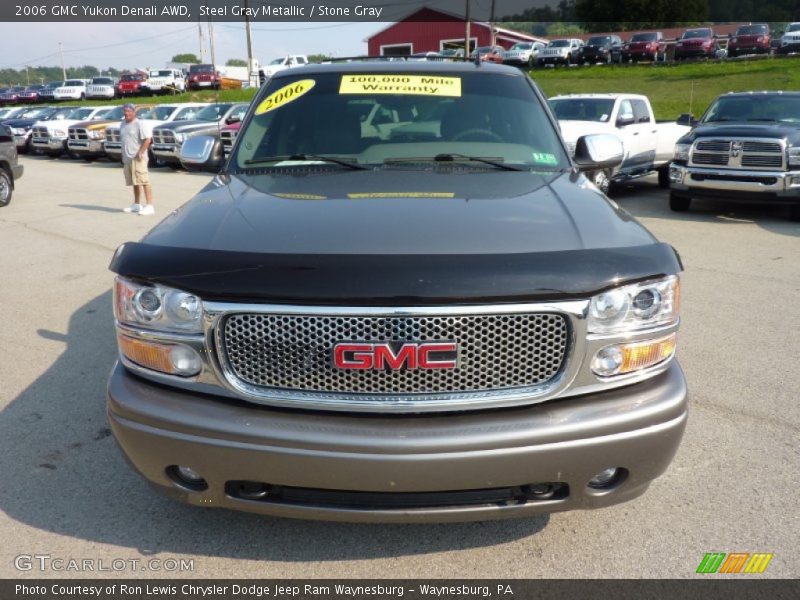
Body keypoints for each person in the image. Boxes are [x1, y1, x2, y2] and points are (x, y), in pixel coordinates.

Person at [120, 103, 155, 215]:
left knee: (144, 180)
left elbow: (148, 140)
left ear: (134, 112)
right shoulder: (123, 124)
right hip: (128, 158)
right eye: (125, 111)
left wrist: (140, 152)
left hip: (139, 158)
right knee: (135, 182)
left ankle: (149, 206)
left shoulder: (140, 124)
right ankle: (136, 204)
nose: (127, 113)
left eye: (129, 111)